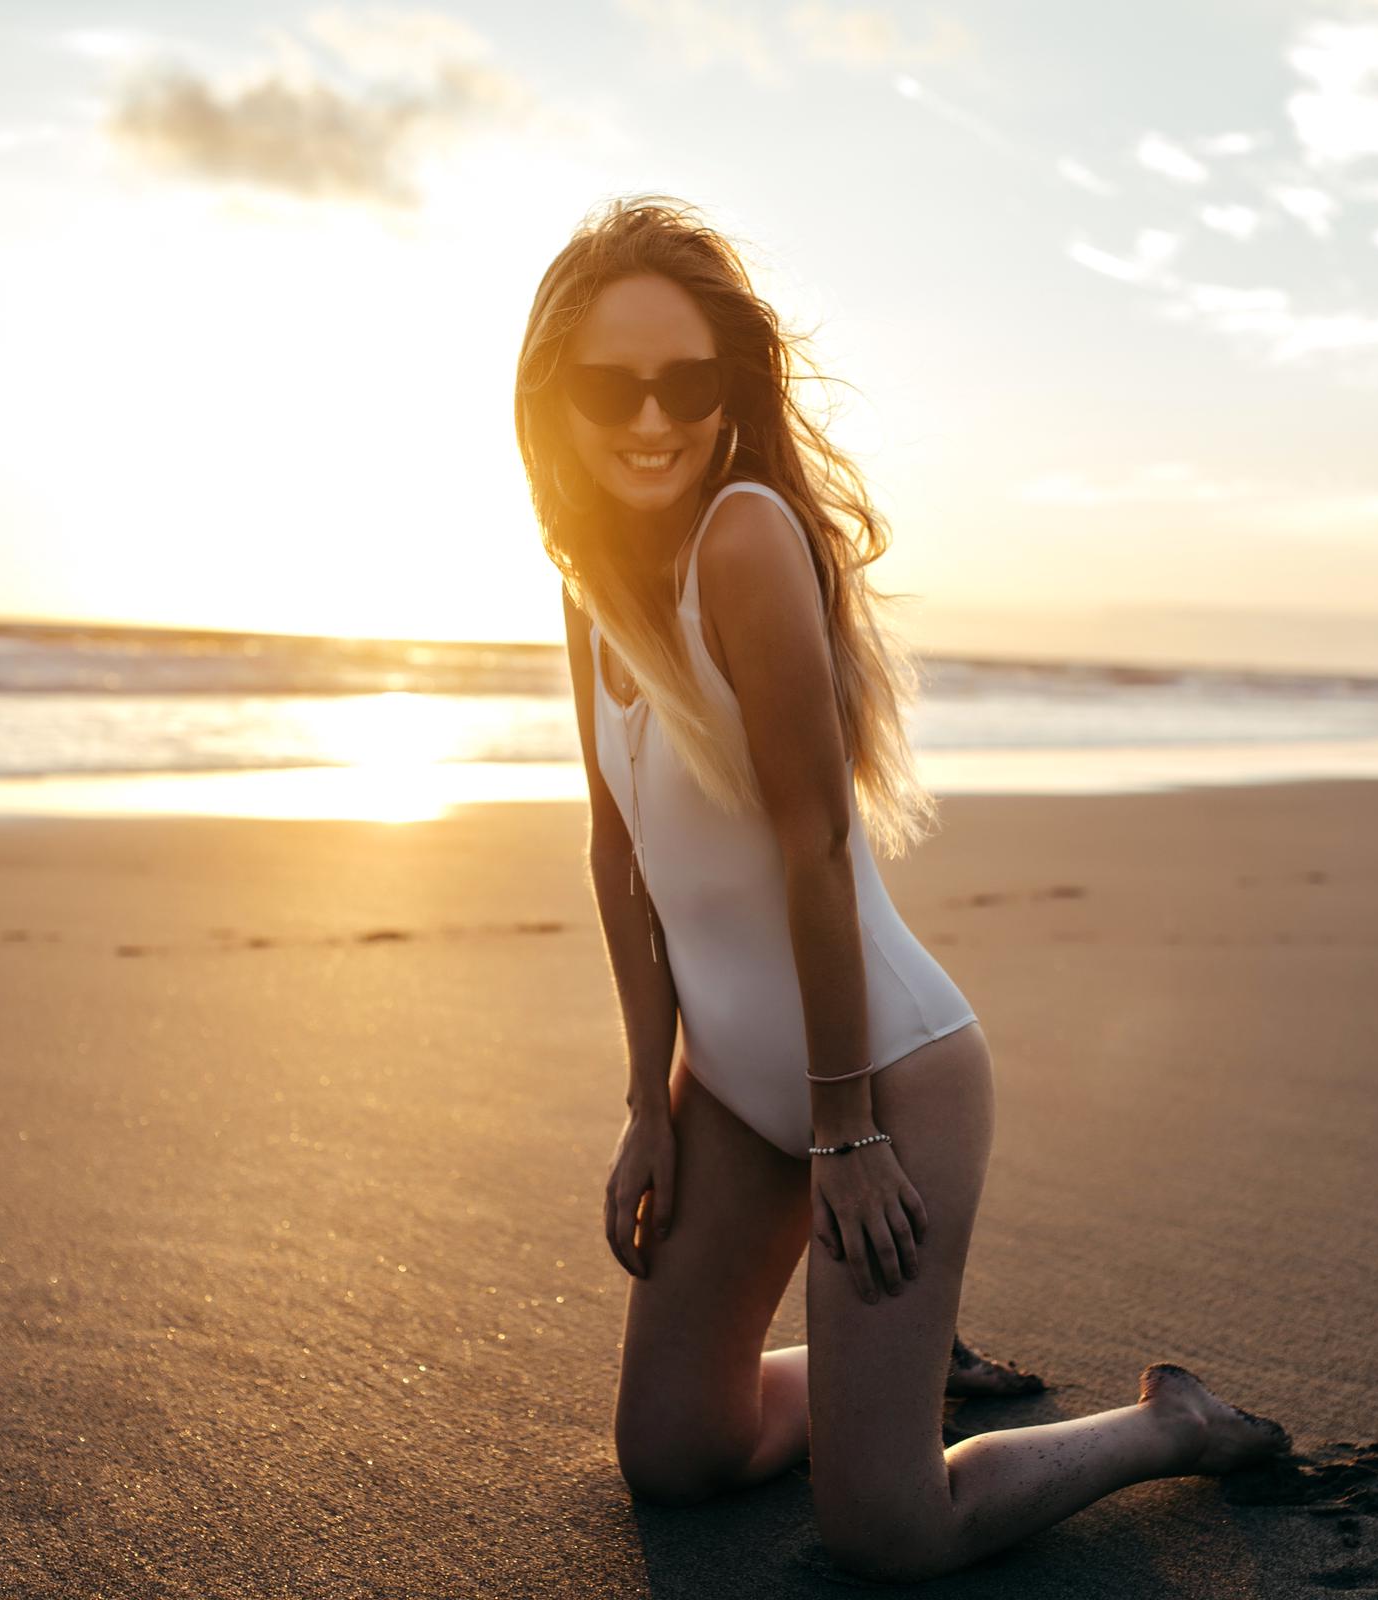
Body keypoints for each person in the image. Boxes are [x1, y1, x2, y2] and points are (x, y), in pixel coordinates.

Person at [515, 194, 1292, 1584]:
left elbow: (815, 847)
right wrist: (648, 1104)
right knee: (675, 1458)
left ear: (728, 389)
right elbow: (614, 855)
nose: (649, 417)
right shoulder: (587, 586)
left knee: (887, 1533)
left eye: (686, 381)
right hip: (738, 1099)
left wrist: (843, 1133)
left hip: (880, 1082)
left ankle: (1161, 1425)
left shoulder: (742, 539)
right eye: (610, 385)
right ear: (555, 398)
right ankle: (902, 1355)